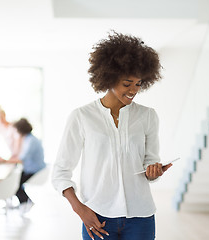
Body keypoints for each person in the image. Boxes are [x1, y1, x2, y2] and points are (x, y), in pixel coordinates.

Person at [52, 31, 172, 240]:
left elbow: (150, 159)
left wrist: (153, 171)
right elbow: (61, 171)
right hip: (97, 217)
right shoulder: (82, 116)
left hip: (141, 217)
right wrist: (81, 210)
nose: (133, 90)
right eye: (127, 83)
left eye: (138, 83)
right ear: (109, 77)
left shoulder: (148, 116)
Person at [0, 118, 46, 212]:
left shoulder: (31, 141)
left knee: (14, 182)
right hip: (32, 168)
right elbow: (19, 155)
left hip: (35, 170)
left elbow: (21, 159)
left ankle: (25, 201)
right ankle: (21, 202)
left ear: (20, 129)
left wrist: (5, 161)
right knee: (14, 178)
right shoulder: (28, 139)